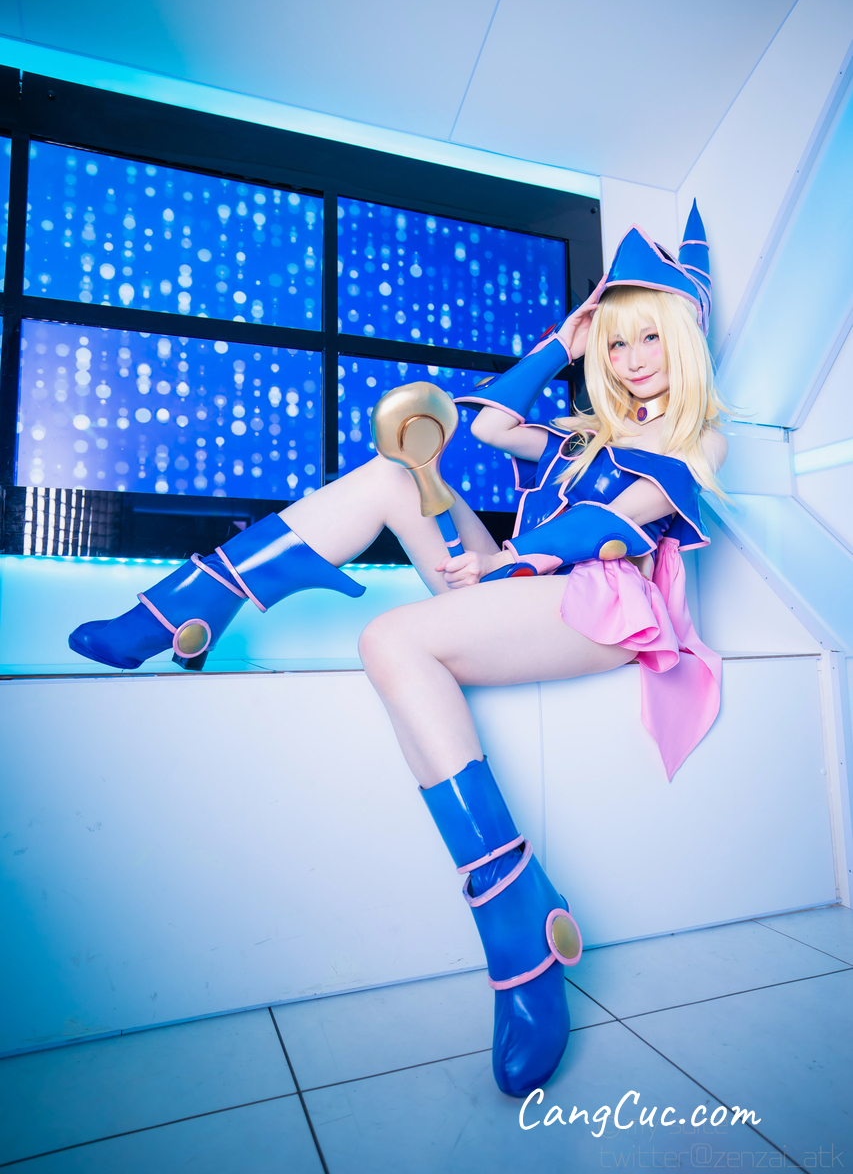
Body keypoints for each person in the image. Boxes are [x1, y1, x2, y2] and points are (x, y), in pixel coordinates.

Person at [68, 203, 727, 1098]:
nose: (632, 357)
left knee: (390, 638)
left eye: (648, 337)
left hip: (600, 603)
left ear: (684, 339)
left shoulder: (695, 434)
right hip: (522, 580)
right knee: (390, 473)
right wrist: (558, 345)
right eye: (615, 343)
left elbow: (613, 522)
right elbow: (488, 427)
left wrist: (509, 565)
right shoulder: (588, 435)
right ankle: (193, 603)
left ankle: (511, 912)